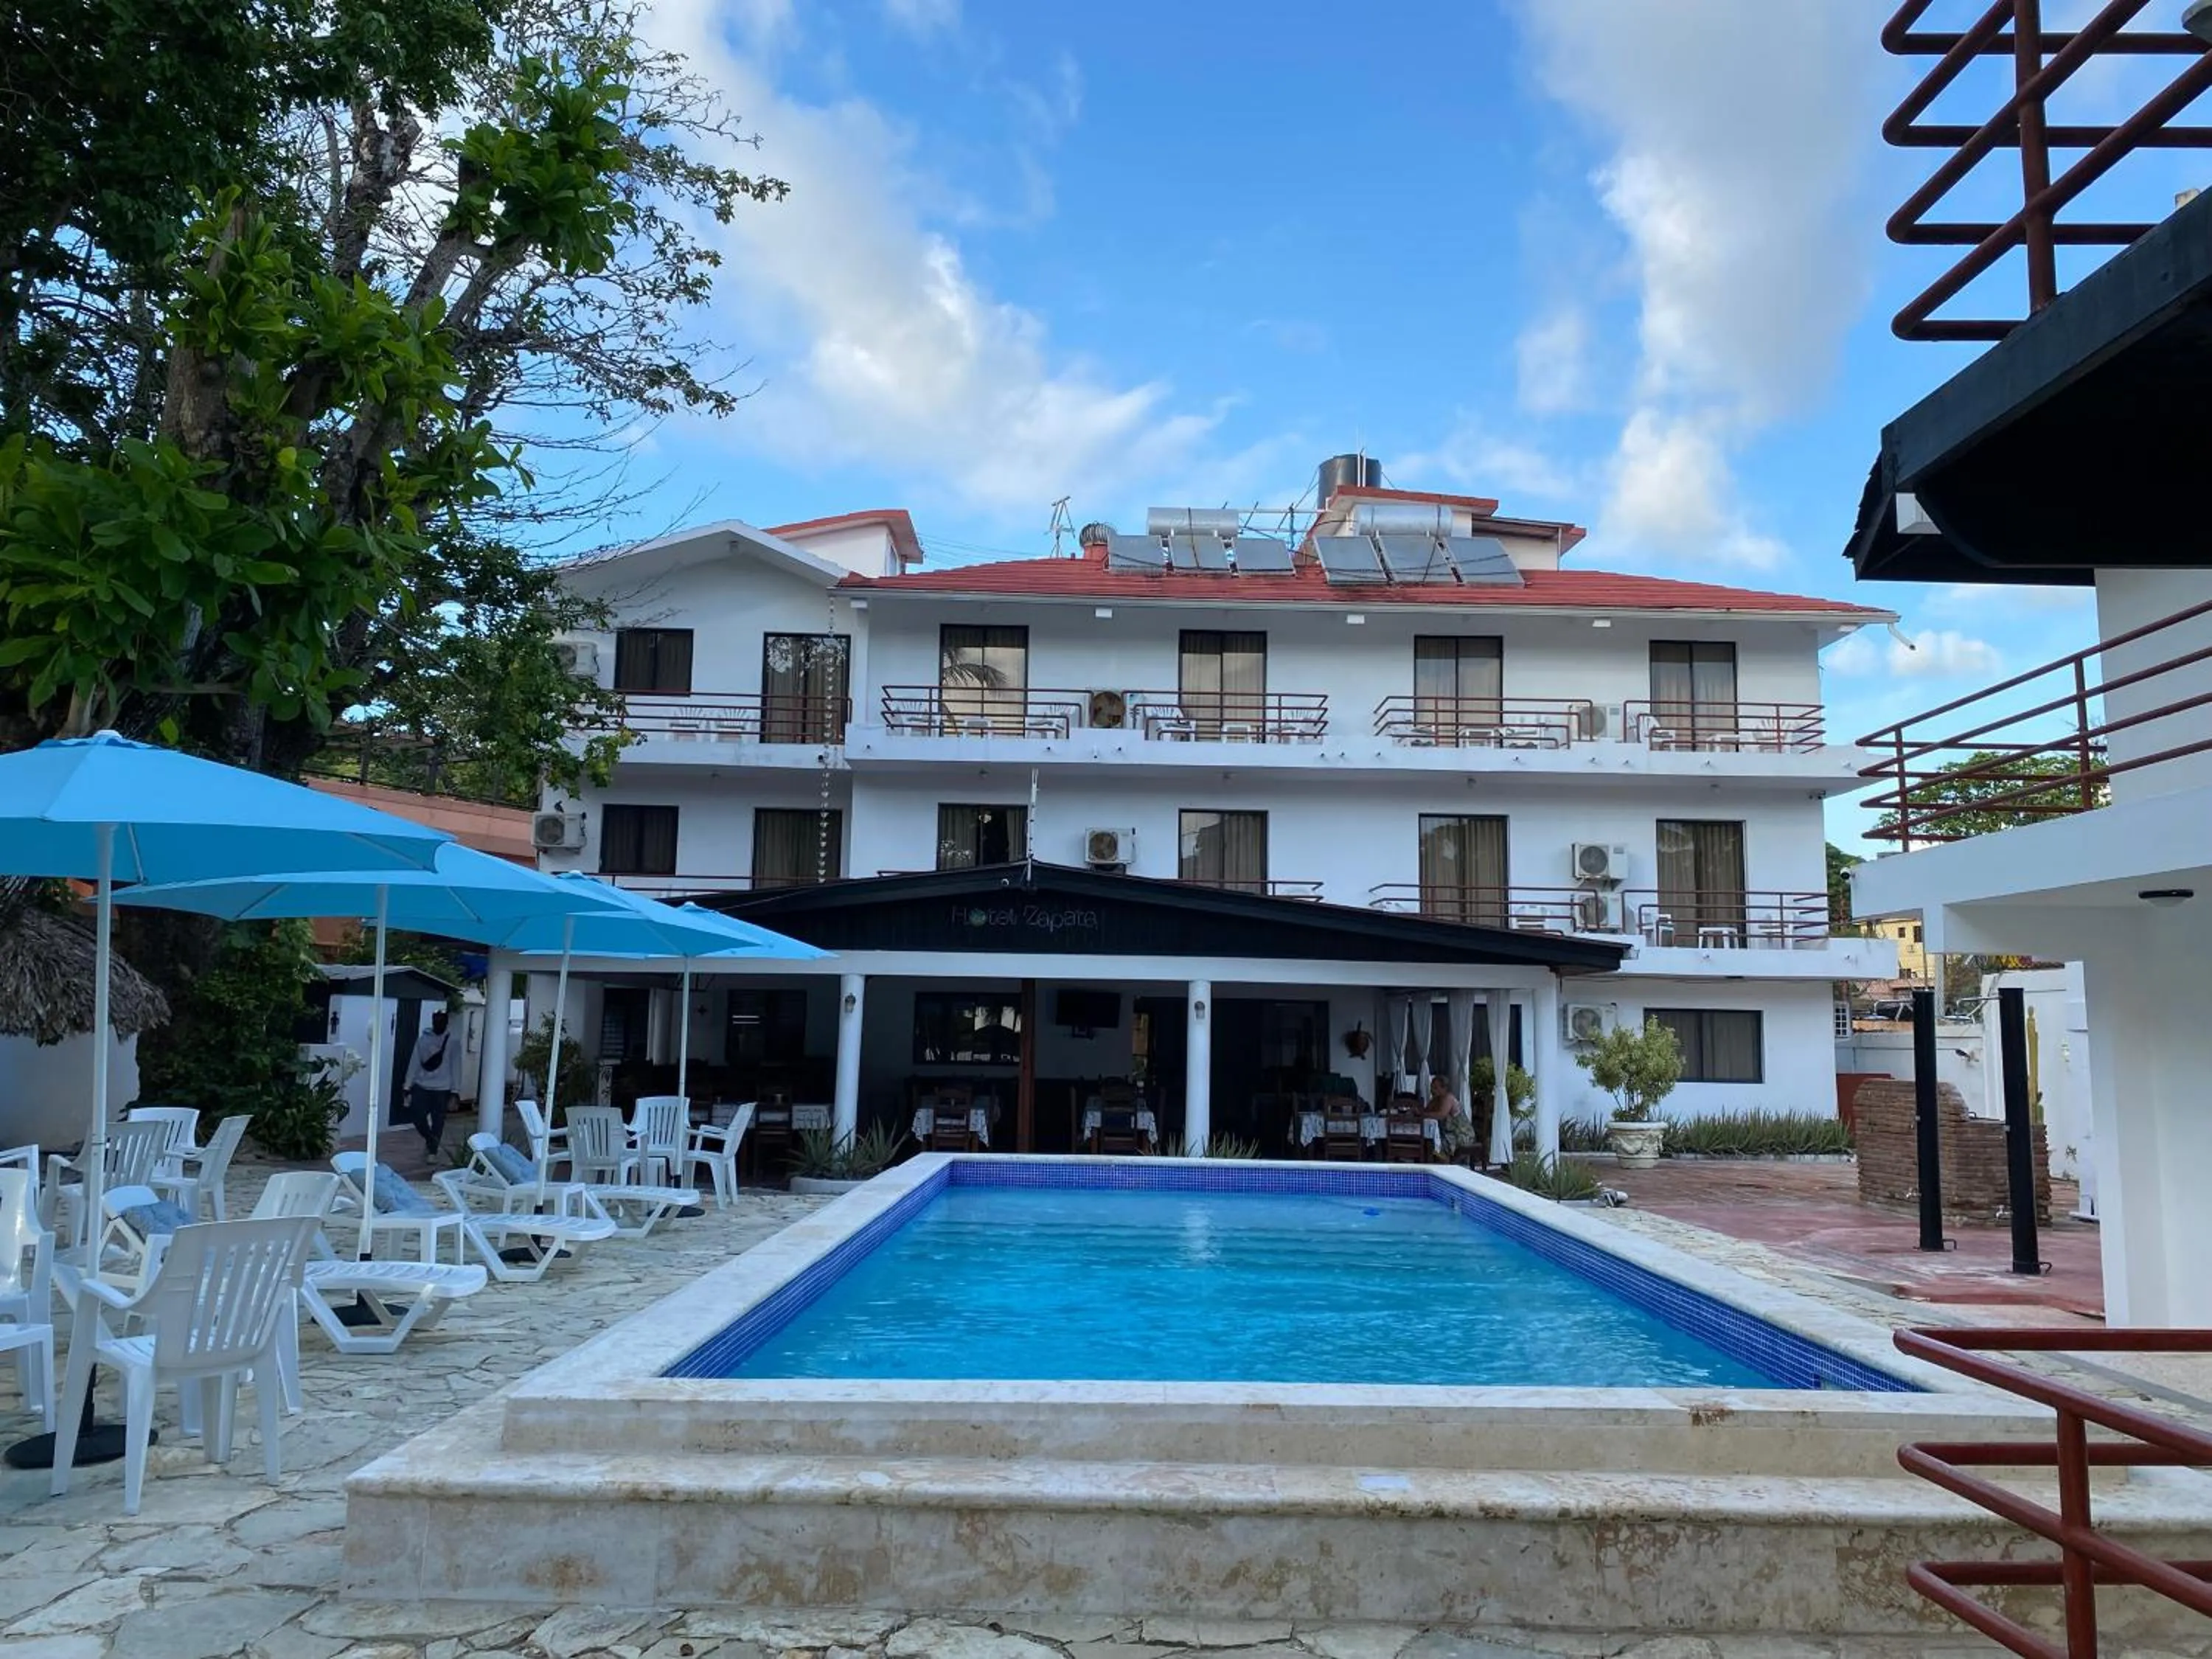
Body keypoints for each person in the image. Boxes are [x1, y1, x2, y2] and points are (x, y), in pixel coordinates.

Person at [402, 1009, 459, 1163]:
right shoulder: (423, 1040)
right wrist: (407, 1085)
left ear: (446, 1023)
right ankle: (430, 1139)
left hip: (443, 1088)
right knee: (417, 1117)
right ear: (433, 1021)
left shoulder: (453, 1041)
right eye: (436, 1021)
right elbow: (414, 1062)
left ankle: (433, 1151)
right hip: (422, 1085)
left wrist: (455, 1091)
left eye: (442, 1021)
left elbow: (455, 1066)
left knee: (438, 1121)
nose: (439, 1024)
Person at [1425, 1075, 1478, 1163]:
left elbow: (1441, 1115)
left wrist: (1423, 1114)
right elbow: (1426, 1111)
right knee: (1431, 1141)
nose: (1432, 1091)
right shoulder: (1436, 1100)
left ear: (1444, 1088)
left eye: (1435, 1088)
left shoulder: (1448, 1098)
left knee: (1439, 1143)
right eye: (1432, 1088)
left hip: (1462, 1134)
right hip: (1449, 1133)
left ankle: (1446, 1167)